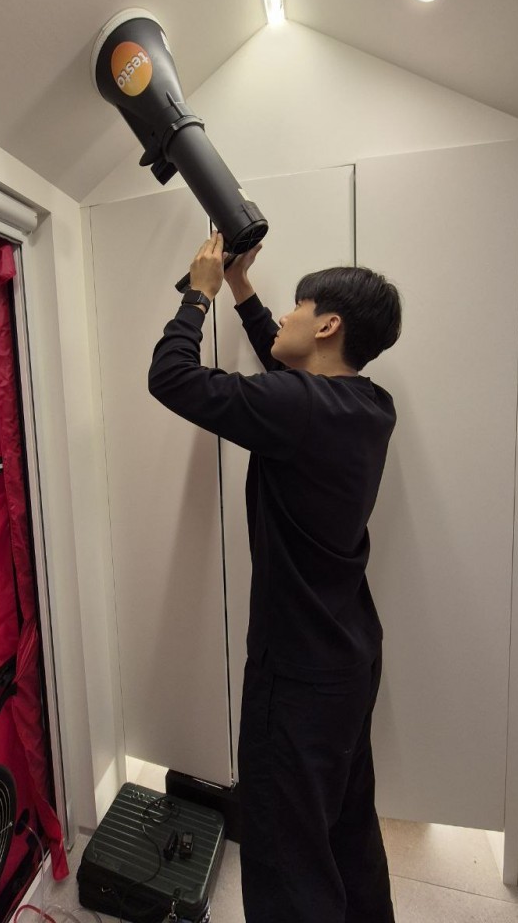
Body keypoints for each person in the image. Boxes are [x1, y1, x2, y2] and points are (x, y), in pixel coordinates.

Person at [148, 230, 401, 923]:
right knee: (345, 830)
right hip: (350, 658)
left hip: (297, 674)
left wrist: (198, 295)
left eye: (297, 307)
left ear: (327, 325)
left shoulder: (297, 408)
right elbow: (289, 373)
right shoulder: (368, 405)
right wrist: (243, 289)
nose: (283, 316)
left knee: (287, 856)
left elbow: (171, 378)